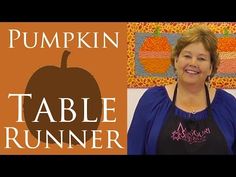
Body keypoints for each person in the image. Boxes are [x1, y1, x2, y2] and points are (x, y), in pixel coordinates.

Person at [128, 26, 236, 155]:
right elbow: (132, 149)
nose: (193, 63)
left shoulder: (229, 105)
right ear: (176, 60)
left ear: (211, 67)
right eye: (187, 56)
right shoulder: (152, 100)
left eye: (201, 58)